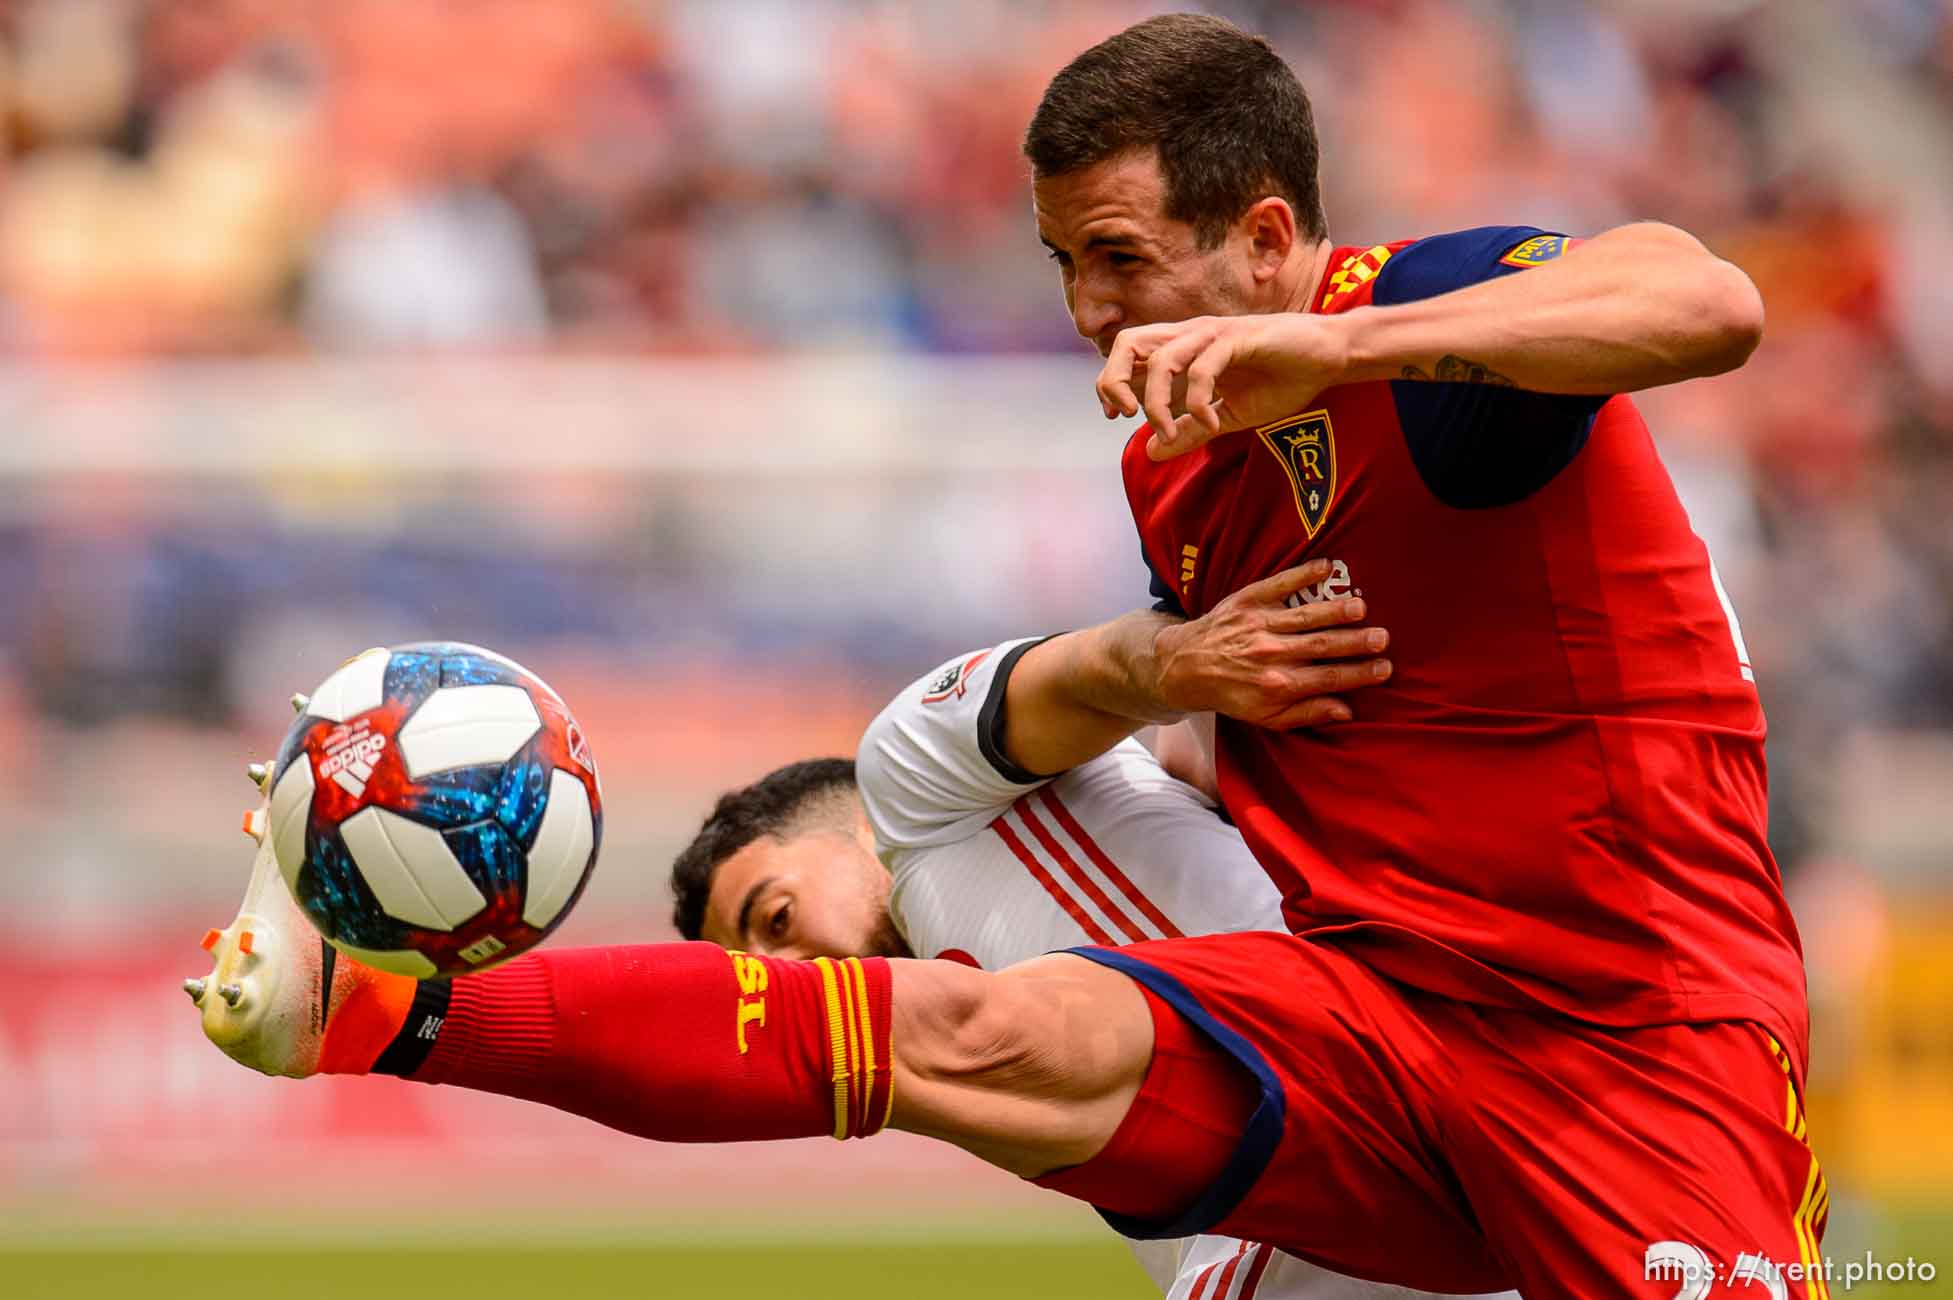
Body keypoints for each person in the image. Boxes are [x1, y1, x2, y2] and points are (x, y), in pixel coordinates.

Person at [1004, 12, 1823, 1299]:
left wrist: (1339, 351)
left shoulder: (1419, 307)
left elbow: (1712, 301)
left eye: (1116, 255)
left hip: (1626, 1035)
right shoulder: (1165, 471)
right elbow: (1249, 748)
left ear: (1268, 240)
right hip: (1392, 1030)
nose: (1086, 309)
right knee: (974, 1033)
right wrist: (1171, 674)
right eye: (1061, 261)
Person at [670, 623, 1511, 1300]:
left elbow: (1077, 674)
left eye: (774, 917)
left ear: (851, 827)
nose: (784, 972)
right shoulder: (942, 1045)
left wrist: (1175, 660)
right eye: (755, 968)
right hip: (1346, 1214)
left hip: (1355, 1144)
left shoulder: (910, 785)